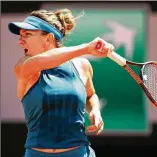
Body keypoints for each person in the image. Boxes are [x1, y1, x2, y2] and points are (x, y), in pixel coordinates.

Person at [8, 8, 114, 157]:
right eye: (20, 36)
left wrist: (95, 110)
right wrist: (87, 48)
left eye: (28, 34)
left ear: (48, 38)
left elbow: (91, 95)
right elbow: (46, 59)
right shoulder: (24, 66)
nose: (20, 41)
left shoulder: (82, 66)